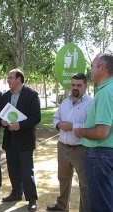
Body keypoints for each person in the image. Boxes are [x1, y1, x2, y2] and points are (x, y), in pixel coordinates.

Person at [47, 73, 92, 212]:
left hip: (81, 148)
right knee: (63, 178)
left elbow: (92, 125)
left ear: (86, 86)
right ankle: (62, 206)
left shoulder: (91, 103)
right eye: (73, 85)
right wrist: (59, 123)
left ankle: (84, 210)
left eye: (79, 85)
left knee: (84, 184)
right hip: (62, 146)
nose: (75, 88)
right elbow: (55, 117)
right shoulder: (65, 101)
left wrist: (72, 126)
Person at [74, 53, 113, 212]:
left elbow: (101, 132)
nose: (90, 70)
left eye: (92, 66)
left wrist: (81, 131)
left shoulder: (105, 93)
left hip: (100, 156)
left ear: (102, 68)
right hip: (104, 155)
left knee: (101, 204)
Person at [0, 69, 40, 212]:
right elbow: (0, 117)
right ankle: (16, 193)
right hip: (9, 139)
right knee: (12, 169)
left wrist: (20, 125)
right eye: (8, 78)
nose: (8, 80)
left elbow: (36, 117)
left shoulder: (31, 94)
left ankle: (32, 198)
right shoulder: (5, 96)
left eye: (10, 78)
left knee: (26, 170)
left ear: (19, 79)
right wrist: (2, 122)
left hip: (25, 139)